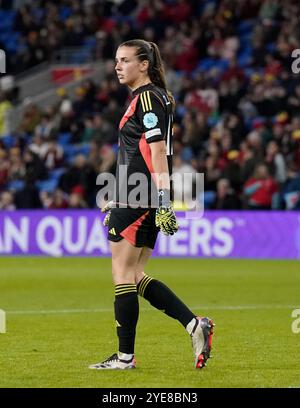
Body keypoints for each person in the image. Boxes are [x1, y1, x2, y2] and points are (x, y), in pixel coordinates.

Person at [89, 39, 214, 370]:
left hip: (140, 195)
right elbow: (144, 152)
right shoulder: (160, 97)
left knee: (122, 274)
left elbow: (157, 152)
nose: (118, 66)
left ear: (143, 64)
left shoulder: (146, 97)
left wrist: (160, 199)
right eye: (116, 60)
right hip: (137, 193)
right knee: (136, 273)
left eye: (125, 60)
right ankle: (194, 325)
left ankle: (125, 358)